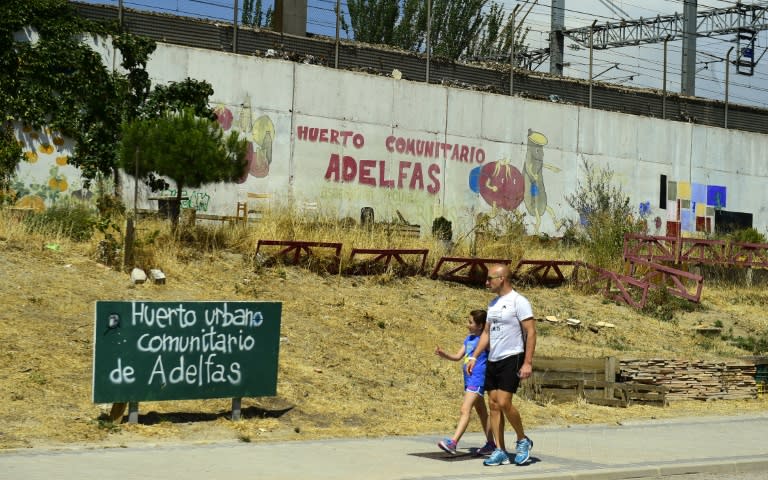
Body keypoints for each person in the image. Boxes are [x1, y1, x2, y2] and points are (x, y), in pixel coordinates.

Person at [467, 263, 536, 467]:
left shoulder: (519, 301)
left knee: (505, 402)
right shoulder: (493, 304)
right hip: (493, 359)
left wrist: (527, 362)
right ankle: (500, 450)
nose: (487, 282)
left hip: (512, 356)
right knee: (494, 404)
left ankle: (523, 440)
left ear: (502, 279)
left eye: (490, 278)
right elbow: (486, 333)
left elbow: (531, 332)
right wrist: (474, 356)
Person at [434, 309, 496, 456]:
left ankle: (453, 443)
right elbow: (457, 356)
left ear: (481, 325)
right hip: (468, 380)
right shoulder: (468, 339)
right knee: (482, 412)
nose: (467, 324)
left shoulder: (485, 341)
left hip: (477, 379)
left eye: (470, 322)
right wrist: (444, 354)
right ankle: (491, 443)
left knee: (465, 409)